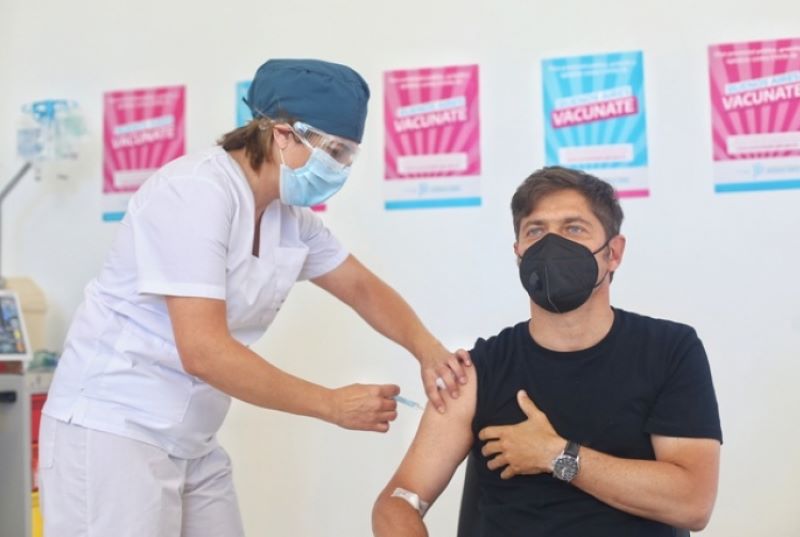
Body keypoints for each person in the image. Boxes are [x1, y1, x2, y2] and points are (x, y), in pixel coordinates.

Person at [39, 58, 469, 537]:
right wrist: (331, 405)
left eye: (349, 155)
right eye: (334, 151)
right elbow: (203, 351)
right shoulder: (195, 192)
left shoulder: (290, 219)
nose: (341, 168)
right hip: (114, 428)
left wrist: (428, 350)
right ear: (282, 134)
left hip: (191, 437)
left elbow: (362, 288)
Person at [372, 166, 722, 536]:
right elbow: (397, 502)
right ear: (519, 254)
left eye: (574, 228)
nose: (552, 246)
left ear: (614, 253)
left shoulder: (669, 352)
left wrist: (556, 454)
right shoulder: (478, 371)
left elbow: (692, 502)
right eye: (536, 231)